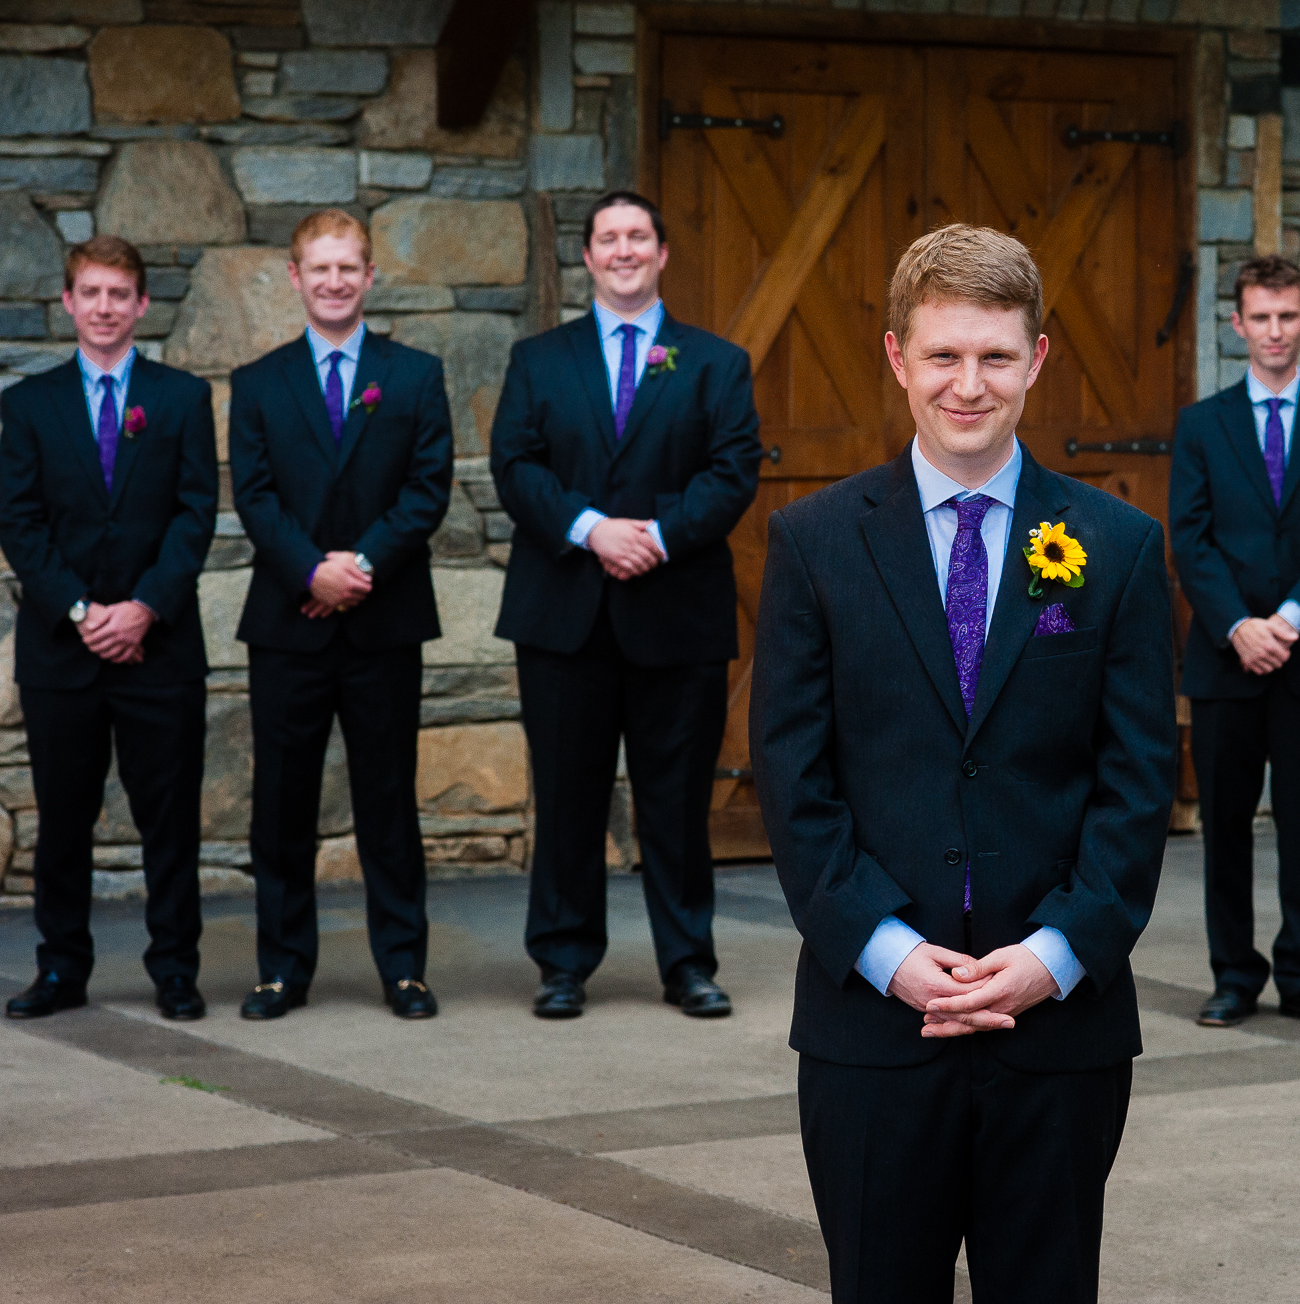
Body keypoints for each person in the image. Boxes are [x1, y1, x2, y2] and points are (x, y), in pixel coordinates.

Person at [751, 224, 1177, 1302]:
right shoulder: (814, 543)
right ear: (896, 356)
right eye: (943, 355)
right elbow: (795, 783)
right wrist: (889, 949)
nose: (968, 384)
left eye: (994, 355)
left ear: (1037, 359)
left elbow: (1136, 785)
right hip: (874, 1024)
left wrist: (1056, 952)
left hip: (1058, 1028)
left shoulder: (1115, 547)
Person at [490, 191, 761, 1020]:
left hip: (675, 612)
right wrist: (590, 529)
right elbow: (516, 463)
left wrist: (659, 535)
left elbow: (732, 470)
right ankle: (563, 963)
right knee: (567, 794)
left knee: (676, 800)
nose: (623, 250)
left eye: (638, 235)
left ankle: (688, 964)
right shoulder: (540, 359)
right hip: (564, 613)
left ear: (662, 252)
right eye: (608, 238)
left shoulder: (714, 363)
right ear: (588, 257)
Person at [227, 209, 454, 1021]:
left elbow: (427, 489)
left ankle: (404, 968)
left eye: (347, 268)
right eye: (318, 269)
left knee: (388, 802)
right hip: (288, 625)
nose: (333, 281)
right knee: (282, 807)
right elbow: (252, 494)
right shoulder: (257, 382)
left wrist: (357, 567)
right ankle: (281, 970)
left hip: (382, 620)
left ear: (368, 276)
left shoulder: (416, 374)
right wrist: (309, 570)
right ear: (294, 278)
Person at [0, 236, 218, 1021]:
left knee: (170, 818)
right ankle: (61, 969)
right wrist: (87, 613)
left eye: (119, 294)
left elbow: (196, 518)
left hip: (160, 646)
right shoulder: (28, 404)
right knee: (63, 818)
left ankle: (175, 969)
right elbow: (19, 526)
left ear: (141, 305)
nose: (103, 307)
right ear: (67, 302)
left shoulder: (183, 398)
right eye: (89, 292)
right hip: (64, 650)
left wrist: (144, 608)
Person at [1169, 256, 1300, 1031]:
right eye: (1261, 317)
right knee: (1225, 825)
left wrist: (1288, 620)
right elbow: (1190, 542)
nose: (1275, 331)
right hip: (1227, 660)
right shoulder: (1202, 424)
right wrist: (1238, 625)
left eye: (1288, 316)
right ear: (1238, 324)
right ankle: (1232, 974)